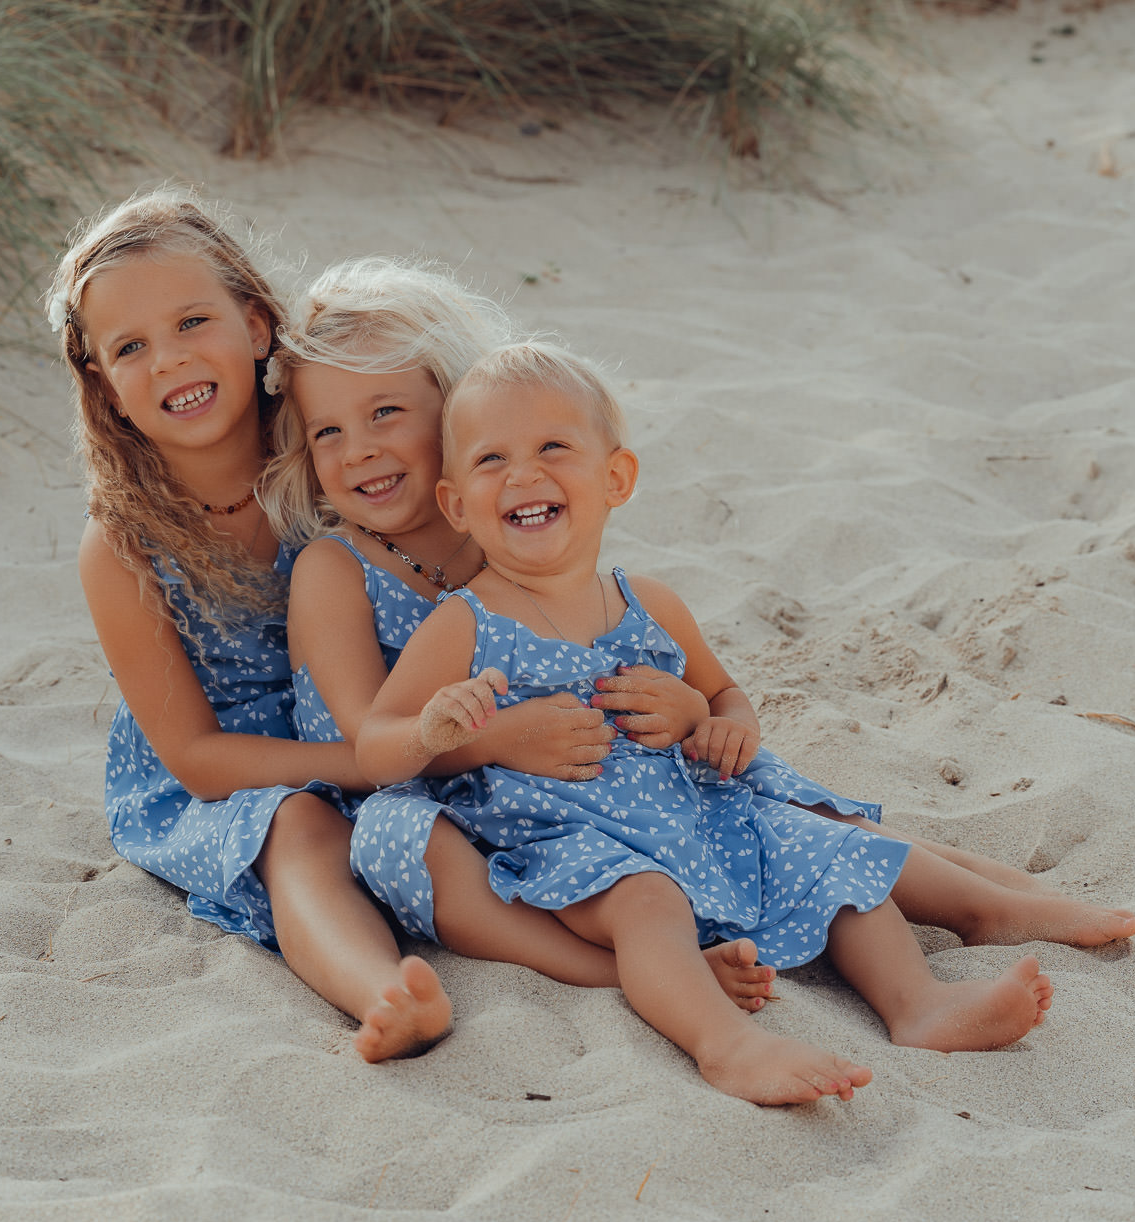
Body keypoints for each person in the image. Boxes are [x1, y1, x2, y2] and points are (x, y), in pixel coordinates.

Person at [356, 343, 1127, 1104]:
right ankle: (724, 1044)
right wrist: (434, 728)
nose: (524, 474)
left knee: (833, 860)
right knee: (646, 903)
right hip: (572, 844)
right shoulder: (465, 624)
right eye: (492, 460)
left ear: (615, 478)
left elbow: (726, 698)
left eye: (553, 447)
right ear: (457, 504)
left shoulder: (650, 602)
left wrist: (707, 715)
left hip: (699, 817)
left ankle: (917, 1002)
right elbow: (377, 743)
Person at [259, 258, 777, 1007]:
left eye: (385, 415)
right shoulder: (333, 569)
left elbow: (604, 653)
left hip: (542, 796)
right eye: (328, 432)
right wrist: (498, 740)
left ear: (451, 416)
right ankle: (612, 972)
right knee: (404, 839)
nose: (359, 450)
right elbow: (370, 751)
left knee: (755, 787)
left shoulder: (499, 525)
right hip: (415, 793)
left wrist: (686, 709)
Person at [52, 189, 451, 1061]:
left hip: (370, 709)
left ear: (258, 324)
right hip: (233, 772)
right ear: (107, 388)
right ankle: (385, 993)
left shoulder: (329, 444)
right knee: (300, 829)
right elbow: (194, 757)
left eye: (193, 320)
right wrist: (370, 759)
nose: (170, 361)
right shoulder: (122, 541)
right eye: (130, 348)